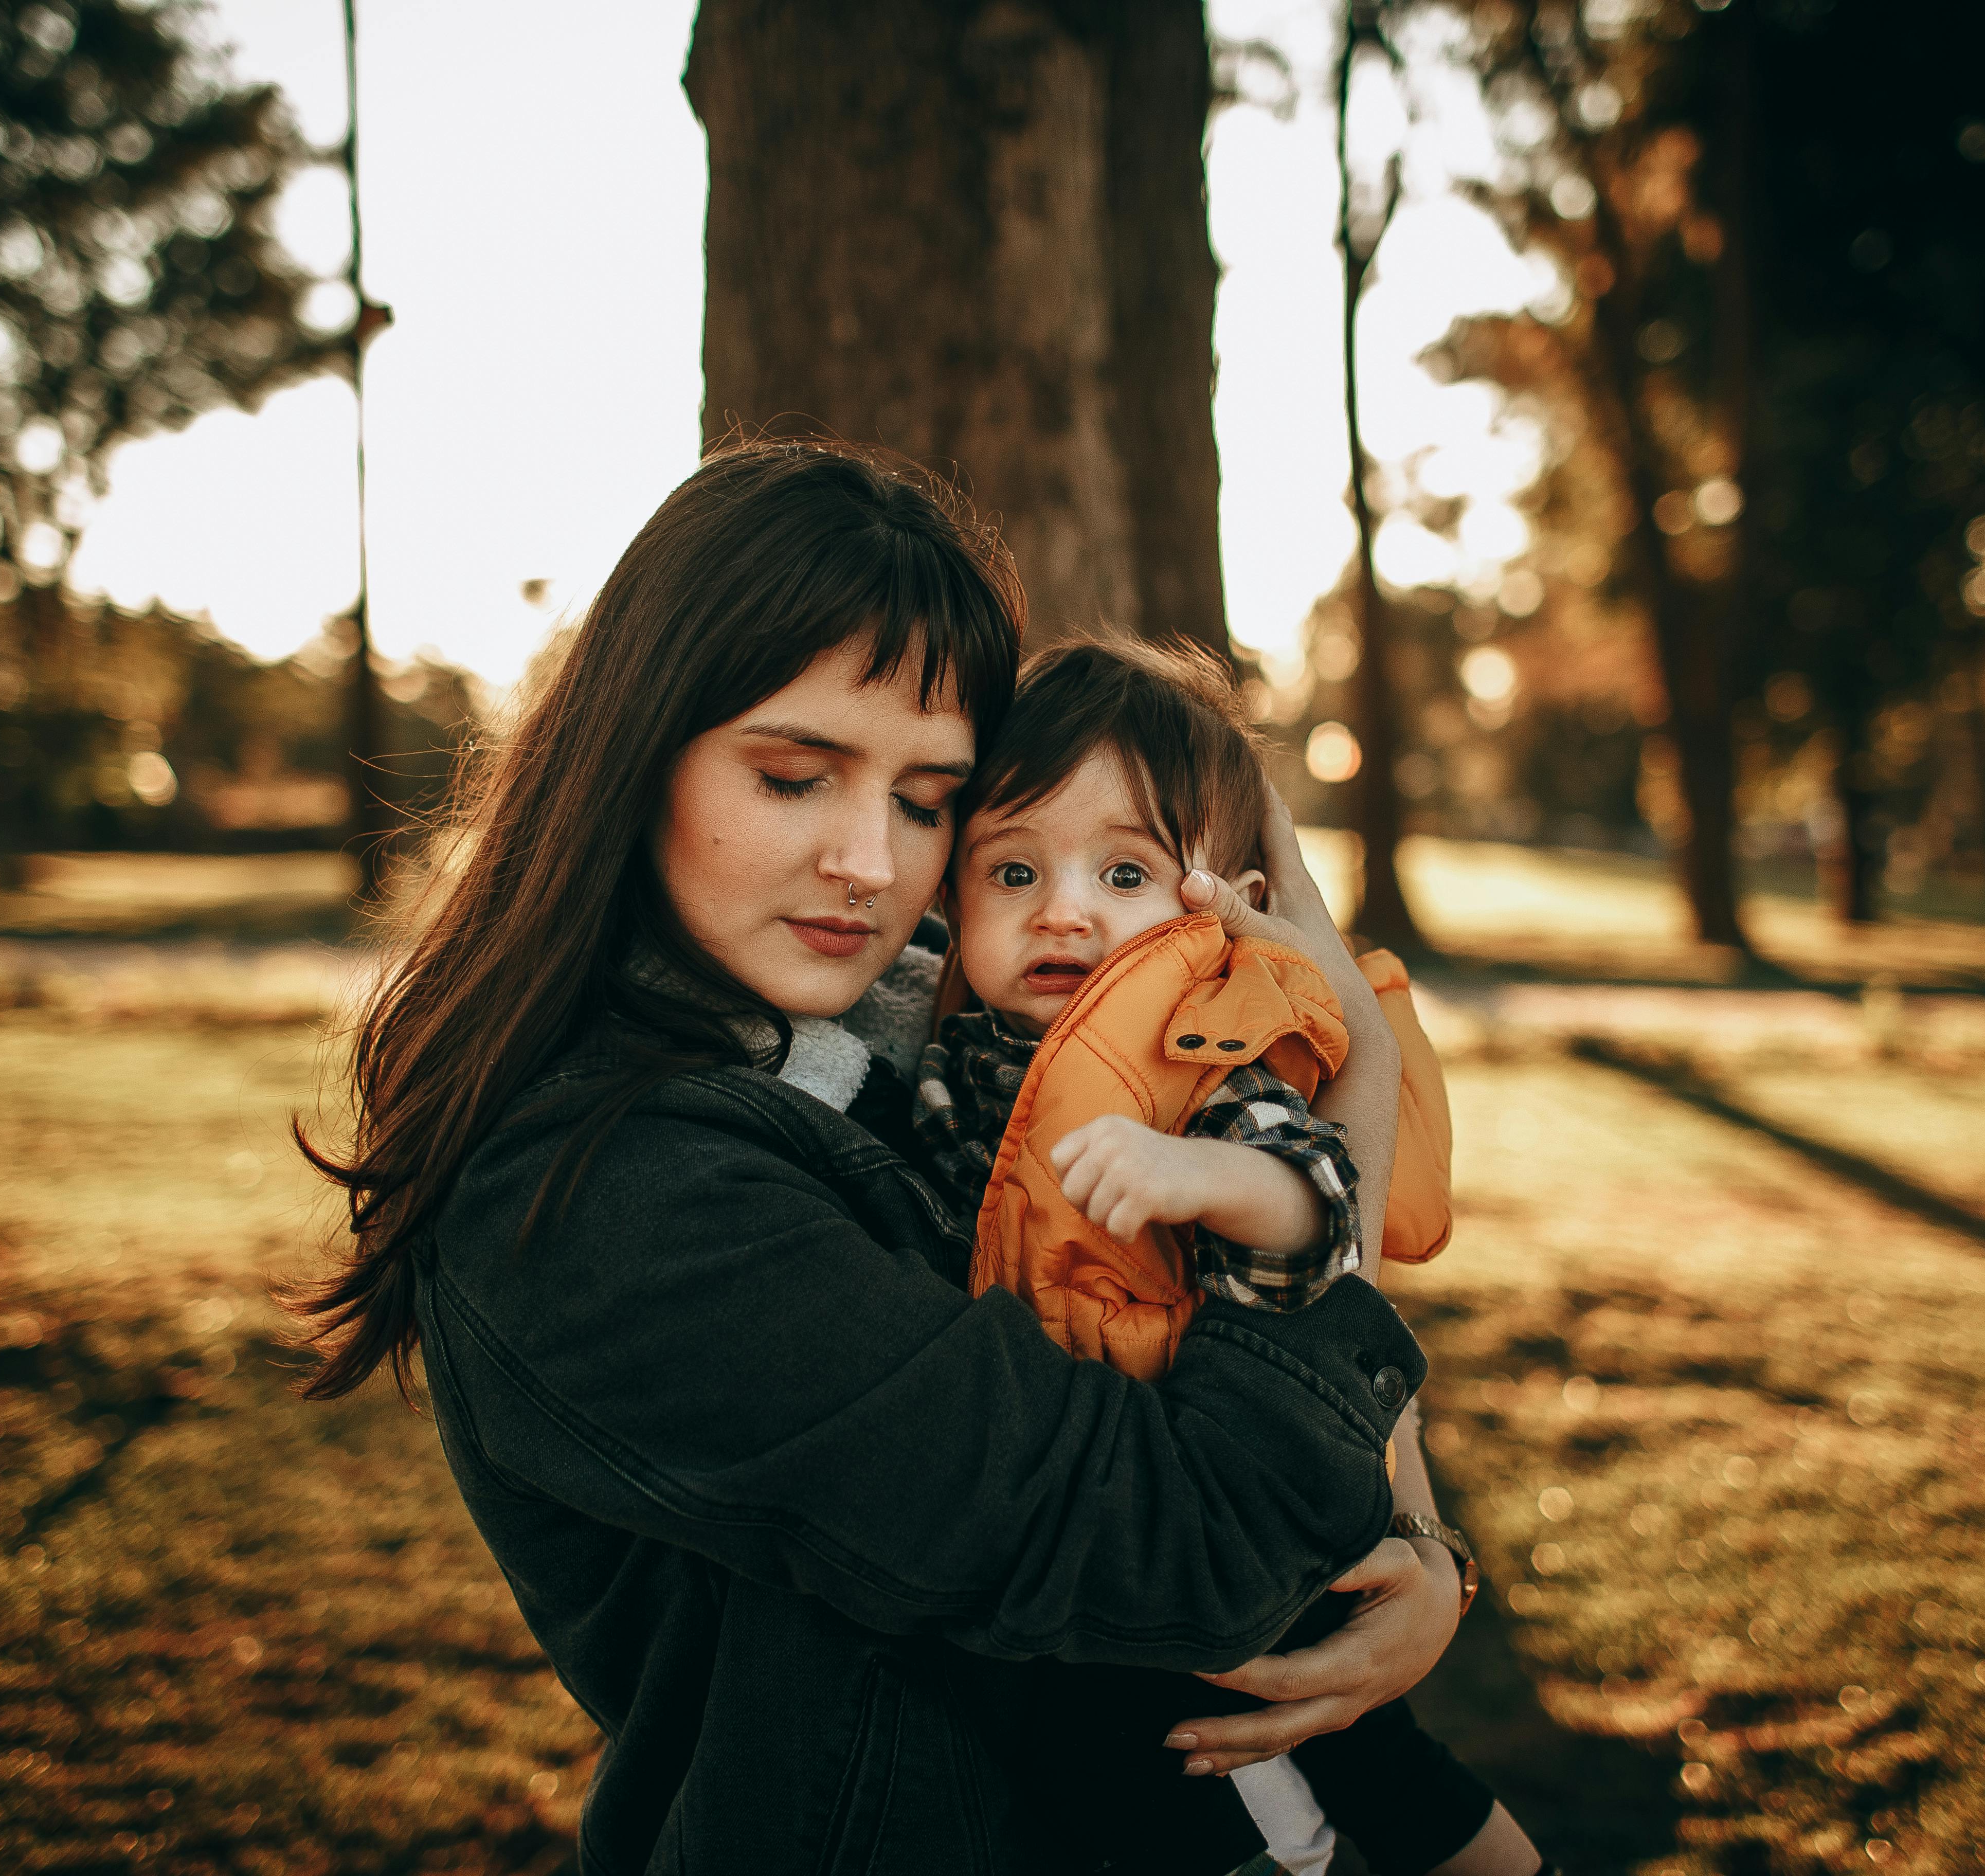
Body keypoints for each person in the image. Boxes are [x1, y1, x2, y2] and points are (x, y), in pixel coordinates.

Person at [292, 439, 1472, 1874]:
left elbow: (1186, 1322)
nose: (871, 859)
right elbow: (1185, 1552)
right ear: (633, 754)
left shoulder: (911, 1038)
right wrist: (1352, 1059)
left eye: (927, 803)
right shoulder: (614, 1198)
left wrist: (1417, 1547)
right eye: (796, 776)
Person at [912, 640, 1540, 1876]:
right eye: (1015, 869)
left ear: (1220, 906)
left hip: (1239, 1478)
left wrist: (1202, 1178)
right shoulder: (957, 1061)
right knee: (1144, 1770)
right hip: (1091, 1516)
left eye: (1127, 871)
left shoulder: (1200, 1068)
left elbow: (1321, 1210)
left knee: (1376, 1763)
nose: (1067, 909)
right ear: (951, 898)